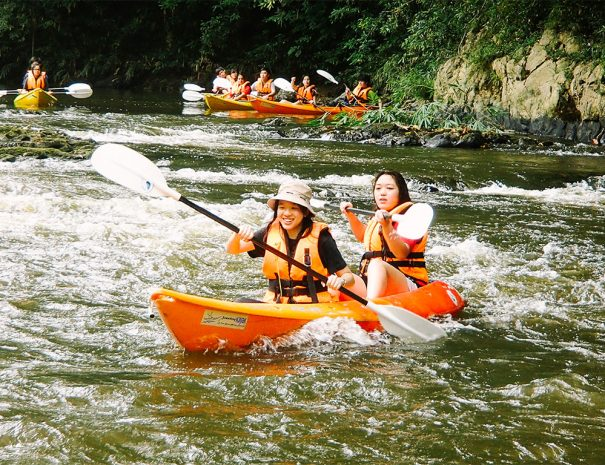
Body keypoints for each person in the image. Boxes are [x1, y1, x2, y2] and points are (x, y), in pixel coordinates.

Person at [226, 180, 364, 304]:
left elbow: (349, 277)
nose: (286, 213)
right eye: (282, 207)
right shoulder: (270, 232)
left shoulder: (322, 238)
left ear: (305, 212)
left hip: (313, 306)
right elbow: (233, 249)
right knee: (241, 302)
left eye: (294, 208)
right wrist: (237, 235)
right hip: (277, 304)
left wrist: (340, 281)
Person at [339, 171, 428, 299]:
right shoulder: (380, 215)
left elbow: (401, 253)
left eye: (390, 188)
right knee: (339, 278)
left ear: (401, 192)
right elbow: (364, 237)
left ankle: (370, 307)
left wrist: (387, 226)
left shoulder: (411, 217)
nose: (382, 193)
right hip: (375, 281)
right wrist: (350, 216)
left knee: (376, 263)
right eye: (378, 188)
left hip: (408, 283)